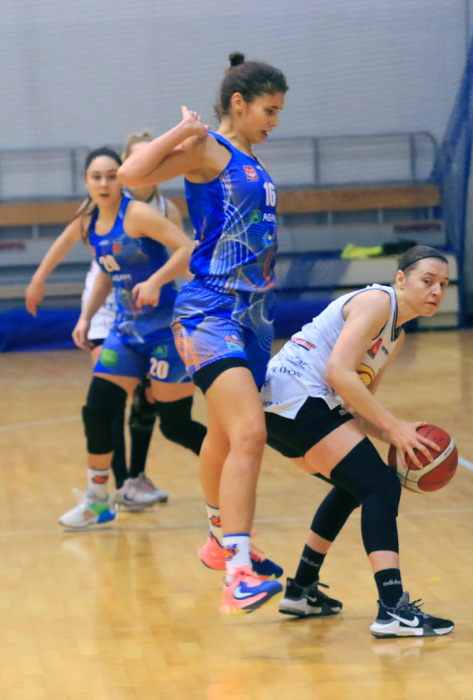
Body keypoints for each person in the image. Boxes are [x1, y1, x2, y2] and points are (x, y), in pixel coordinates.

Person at [119, 52, 288, 614]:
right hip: (210, 311)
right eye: (268, 110)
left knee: (222, 434)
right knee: (251, 433)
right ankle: (238, 572)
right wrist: (182, 130)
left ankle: (219, 541)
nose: (275, 121)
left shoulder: (250, 158)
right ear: (238, 104)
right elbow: (131, 175)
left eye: (279, 112)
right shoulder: (206, 149)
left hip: (255, 316)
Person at [261, 245, 455, 638]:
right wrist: (394, 426)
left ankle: (301, 590)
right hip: (297, 395)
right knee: (380, 485)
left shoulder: (396, 336)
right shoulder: (377, 302)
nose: (436, 291)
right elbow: (338, 373)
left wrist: (396, 434)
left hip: (284, 404)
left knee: (355, 485)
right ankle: (393, 609)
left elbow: (354, 407)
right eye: (427, 280)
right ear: (400, 279)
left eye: (444, 284)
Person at [32, 145, 204, 528]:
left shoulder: (137, 213)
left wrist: (157, 280)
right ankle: (97, 502)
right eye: (97, 177)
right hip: (125, 332)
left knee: (175, 425)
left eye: (112, 175)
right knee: (97, 410)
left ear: (122, 179)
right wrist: (85, 315)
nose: (104, 183)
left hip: (165, 331)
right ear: (86, 182)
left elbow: (186, 249)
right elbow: (109, 274)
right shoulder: (89, 223)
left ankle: (230, 473)